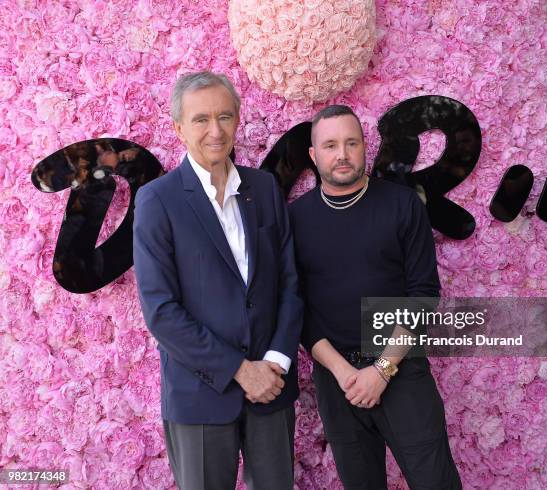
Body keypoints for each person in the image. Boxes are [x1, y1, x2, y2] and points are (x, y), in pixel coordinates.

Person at [133, 71, 302, 490]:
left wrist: (275, 365)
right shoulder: (158, 200)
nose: (215, 130)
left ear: (237, 120)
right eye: (201, 119)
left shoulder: (264, 189)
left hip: (273, 388)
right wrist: (241, 371)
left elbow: (291, 285)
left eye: (225, 117)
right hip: (200, 395)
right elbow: (161, 312)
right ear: (179, 128)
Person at [289, 105, 462, 489]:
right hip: (339, 381)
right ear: (314, 156)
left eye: (351, 143)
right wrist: (345, 373)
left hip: (402, 371)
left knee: (436, 482)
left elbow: (423, 295)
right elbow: (297, 308)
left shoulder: (401, 205)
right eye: (331, 145)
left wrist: (382, 370)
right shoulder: (296, 219)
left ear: (365, 147)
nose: (343, 154)